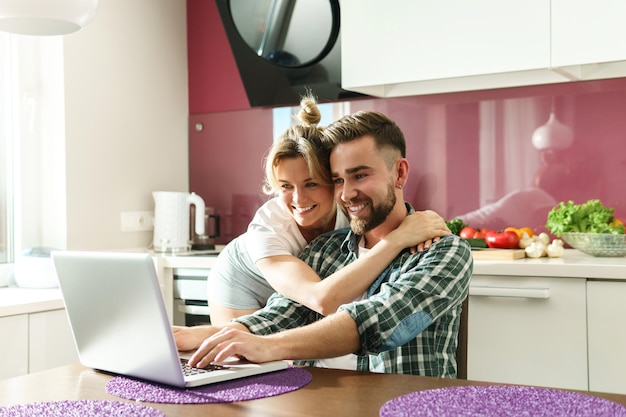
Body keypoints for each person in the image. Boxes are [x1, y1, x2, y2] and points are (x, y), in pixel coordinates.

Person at [174, 110, 473, 377]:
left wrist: (266, 347)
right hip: (315, 403)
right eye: (338, 180)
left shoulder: (444, 251)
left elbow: (374, 322)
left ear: (400, 172)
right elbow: (280, 315)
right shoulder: (322, 248)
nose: (346, 194)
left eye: (360, 175)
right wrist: (204, 335)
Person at [207, 95, 451, 325]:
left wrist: (420, 222)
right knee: (244, 360)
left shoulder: (350, 204)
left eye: (311, 183)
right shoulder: (269, 227)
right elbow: (321, 299)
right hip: (244, 282)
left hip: (314, 289)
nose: (298, 199)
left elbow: (388, 206)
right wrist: (398, 240)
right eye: (285, 186)